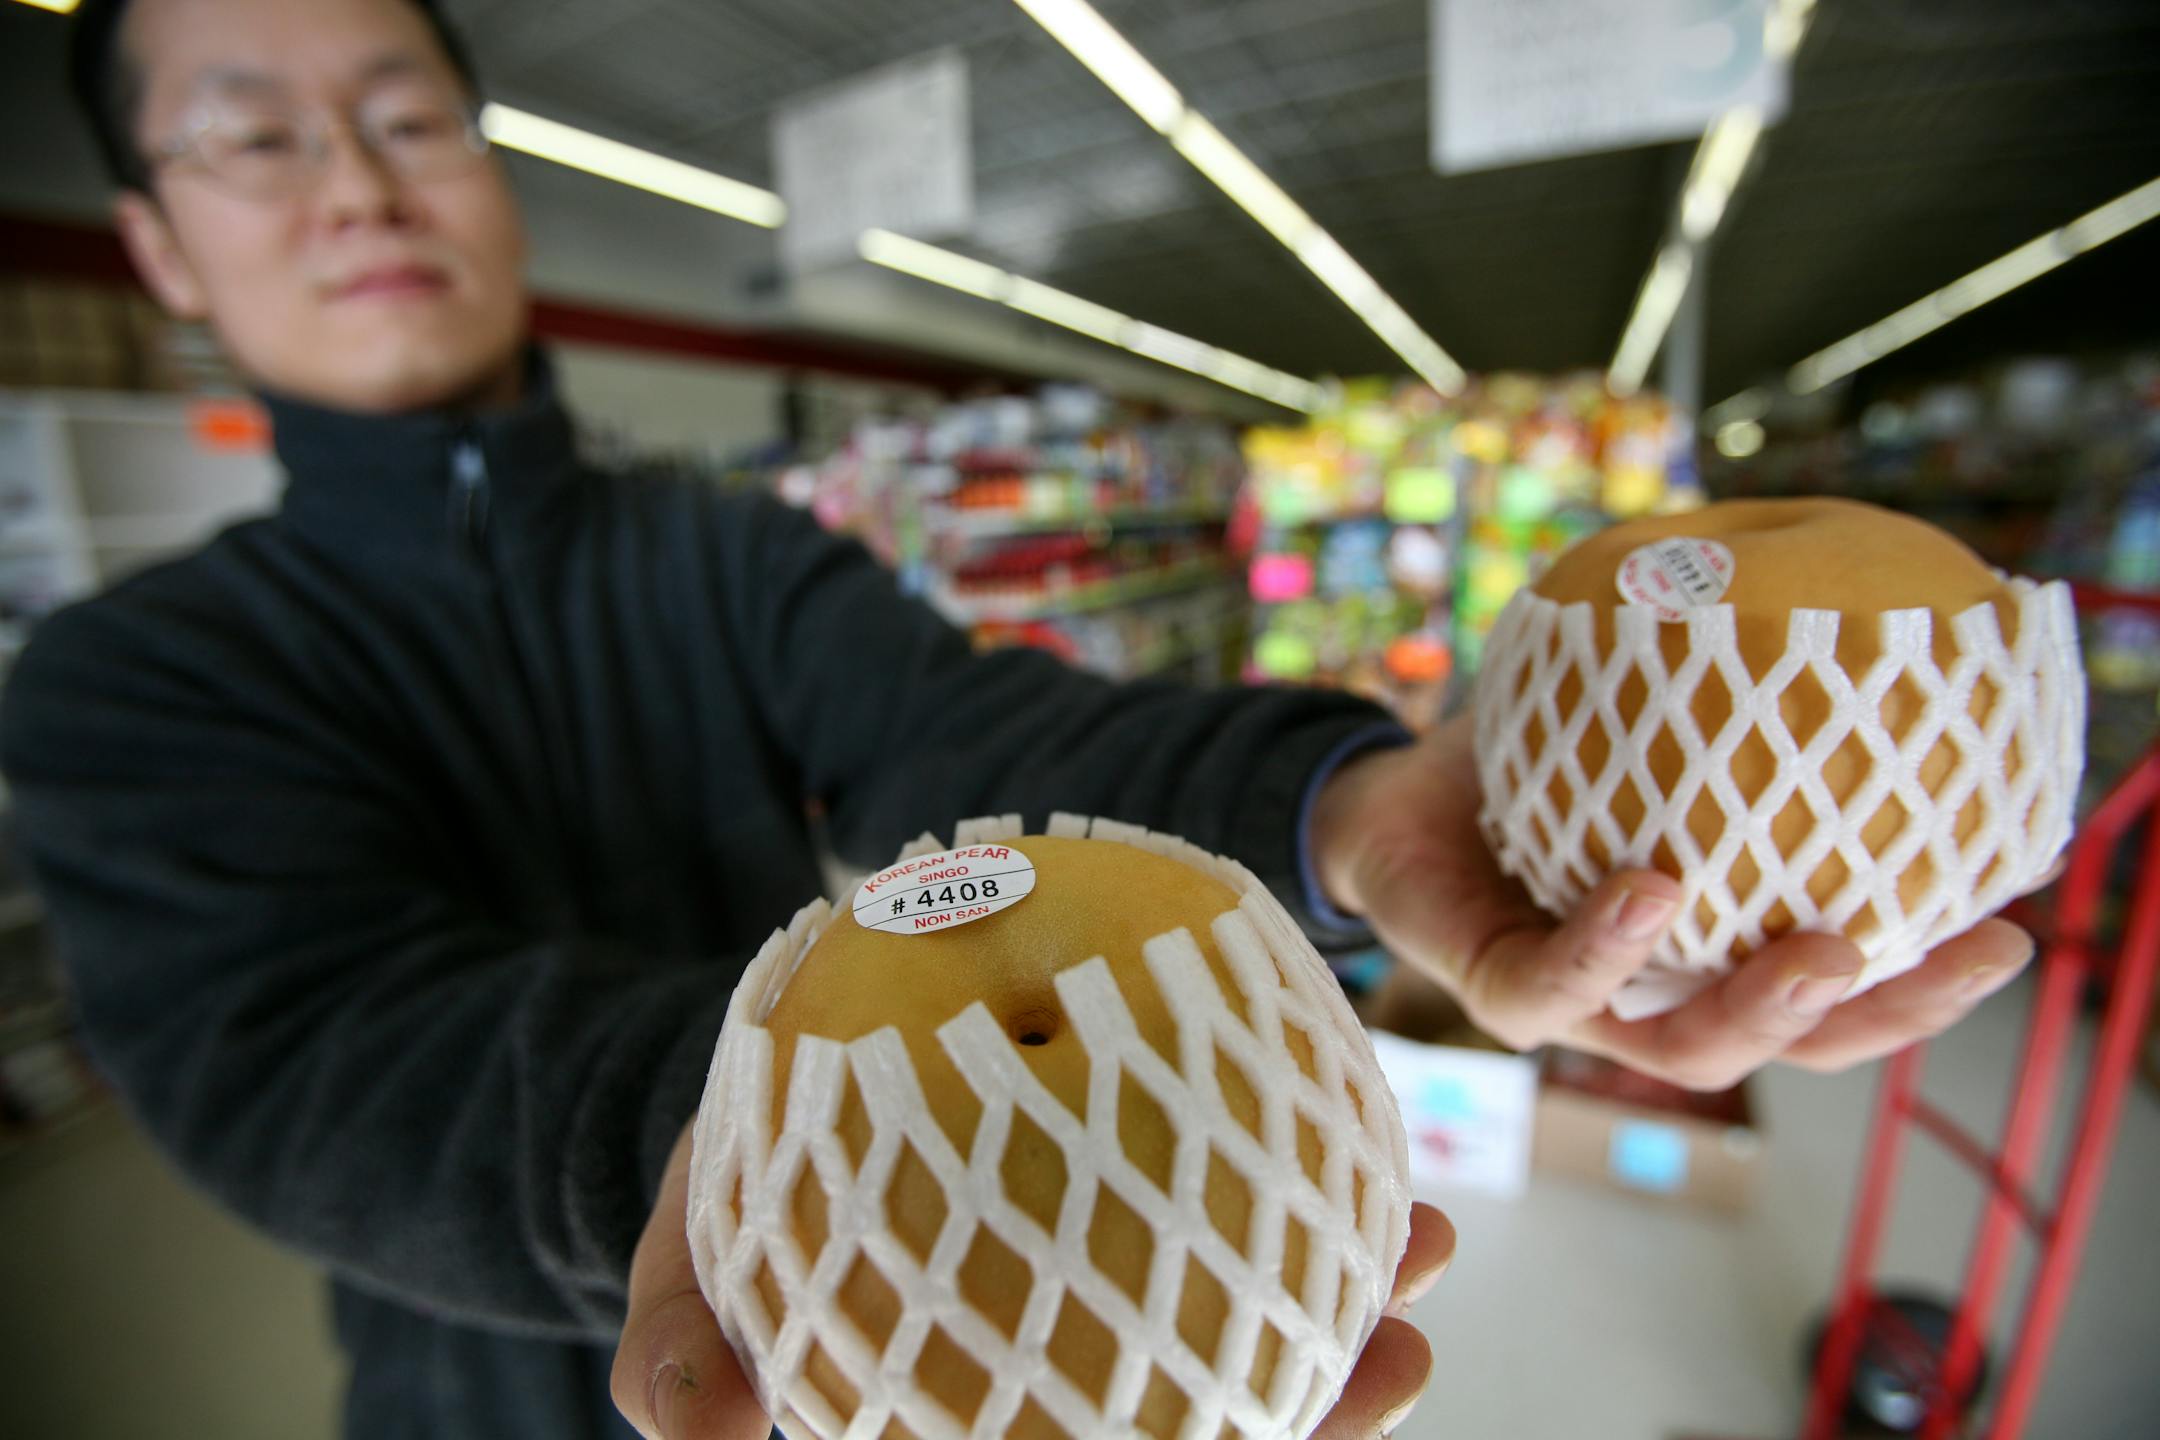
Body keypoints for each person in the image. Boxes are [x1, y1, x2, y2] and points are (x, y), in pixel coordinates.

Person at [3, 1, 2037, 1437]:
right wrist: (778, 1166)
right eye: (257, 132)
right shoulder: (133, 682)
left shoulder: (730, 552)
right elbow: (324, 1062)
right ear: (164, 246)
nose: (355, 180)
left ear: (494, 172)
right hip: (501, 1393)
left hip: (970, 1358)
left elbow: (972, 748)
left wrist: (1345, 818)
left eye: (405, 112)